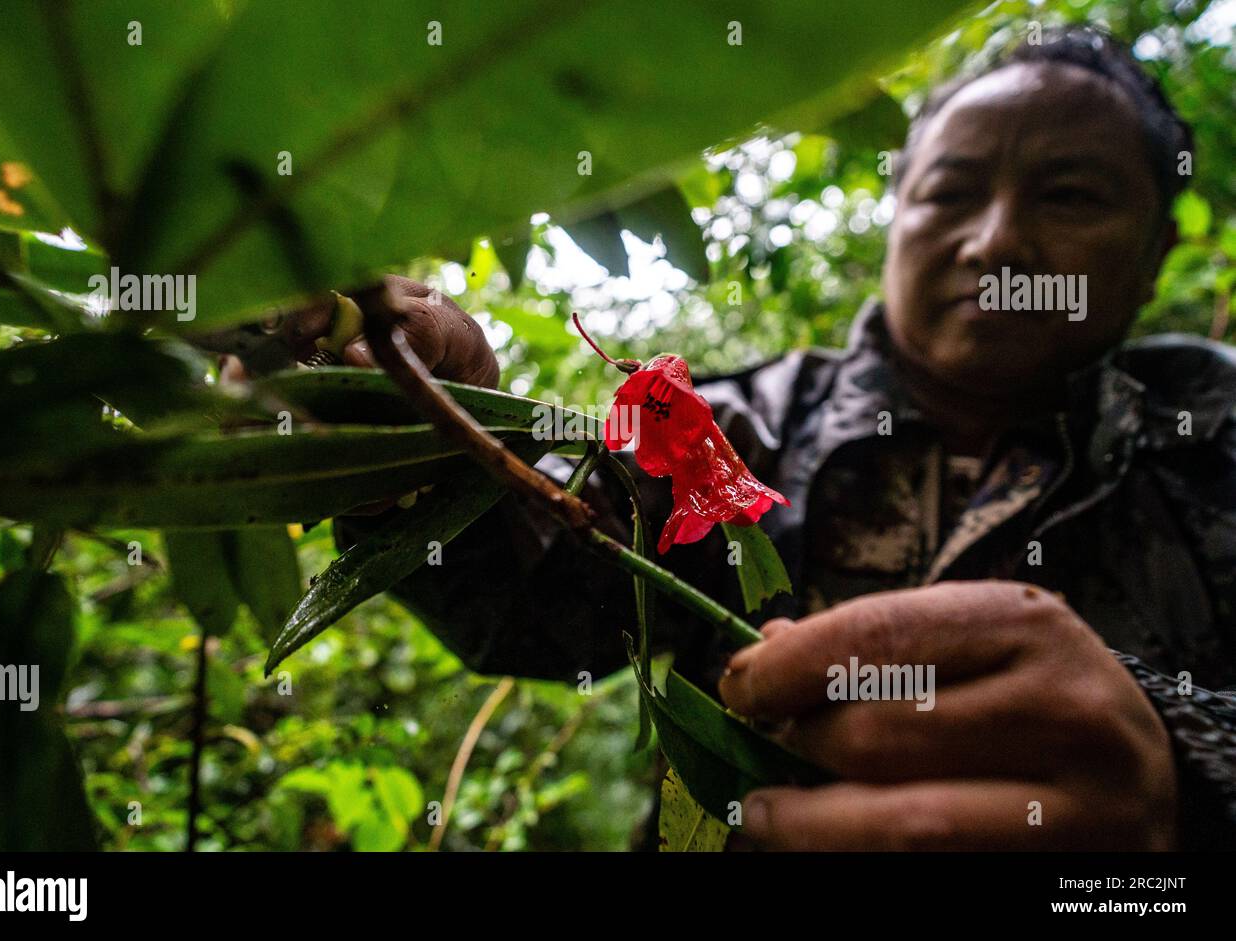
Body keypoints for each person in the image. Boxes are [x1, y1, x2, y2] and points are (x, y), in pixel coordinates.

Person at [238, 27, 1236, 850]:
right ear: (896, 218)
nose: (996, 241)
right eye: (951, 190)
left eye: (1069, 195)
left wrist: (1184, 778)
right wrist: (424, 434)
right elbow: (537, 599)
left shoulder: (1213, 442)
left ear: (1156, 256)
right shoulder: (736, 425)